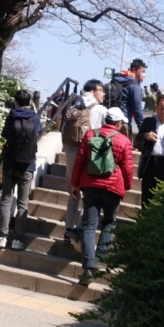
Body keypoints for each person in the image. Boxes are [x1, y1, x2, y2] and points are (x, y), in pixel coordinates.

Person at [70, 106, 133, 285]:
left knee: (89, 226)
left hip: (90, 186)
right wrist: (126, 187)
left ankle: (87, 268)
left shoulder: (90, 135)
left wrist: (75, 184)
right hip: (113, 187)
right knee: (109, 223)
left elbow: (79, 161)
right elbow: (128, 168)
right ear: (119, 123)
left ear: (106, 120)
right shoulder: (123, 141)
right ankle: (101, 257)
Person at [61, 79, 107, 251]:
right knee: (89, 196)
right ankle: (78, 232)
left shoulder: (75, 107)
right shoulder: (101, 111)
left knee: (73, 194)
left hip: (71, 151)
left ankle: (67, 230)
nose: (104, 94)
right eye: (101, 90)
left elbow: (64, 130)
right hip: (90, 155)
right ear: (93, 91)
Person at [0, 90, 41, 251]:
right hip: (27, 166)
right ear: (29, 102)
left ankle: (2, 237)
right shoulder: (34, 118)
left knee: (6, 200)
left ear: (15, 102)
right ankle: (17, 239)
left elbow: (5, 135)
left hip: (9, 163)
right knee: (23, 203)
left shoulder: (11, 116)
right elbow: (37, 133)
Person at [113, 58, 147, 132]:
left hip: (110, 121)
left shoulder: (117, 80)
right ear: (134, 70)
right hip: (123, 123)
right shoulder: (134, 86)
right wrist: (142, 128)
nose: (144, 75)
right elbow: (137, 109)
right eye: (143, 72)